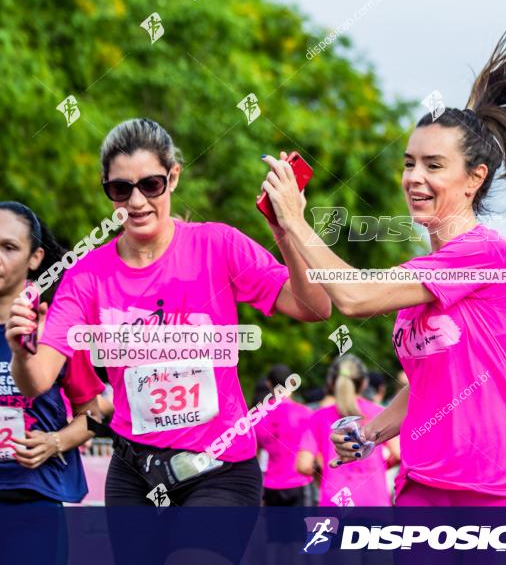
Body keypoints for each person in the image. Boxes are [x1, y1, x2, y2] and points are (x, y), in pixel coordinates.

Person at [268, 27, 506, 506]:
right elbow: (430, 387)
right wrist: (368, 432)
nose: (414, 178)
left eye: (433, 165)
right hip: (422, 486)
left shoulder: (486, 254)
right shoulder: (423, 277)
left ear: (474, 179)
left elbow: (355, 297)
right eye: (409, 164)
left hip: (495, 488)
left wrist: (297, 222)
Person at [5, 118, 331, 512]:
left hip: (219, 468)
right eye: (121, 189)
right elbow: (36, 381)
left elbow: (315, 307)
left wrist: (286, 230)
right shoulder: (87, 275)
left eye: (150, 185)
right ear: (107, 190)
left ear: (173, 177)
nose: (137, 202)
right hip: (135, 473)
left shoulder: (218, 245)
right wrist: (22, 351)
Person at [0, 203, 111, 562]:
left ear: (35, 258)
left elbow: (94, 413)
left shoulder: (55, 332)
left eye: (9, 247)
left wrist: (56, 441)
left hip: (33, 498)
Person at [297, 355, 397, 506]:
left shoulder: (318, 417)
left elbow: (303, 465)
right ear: (364, 383)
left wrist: (323, 475)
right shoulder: (379, 413)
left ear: (331, 383)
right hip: (375, 502)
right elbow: (398, 453)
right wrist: (379, 468)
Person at [256, 364, 313, 507]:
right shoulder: (305, 414)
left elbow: (253, 454)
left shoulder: (258, 416)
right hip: (299, 482)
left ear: (268, 384)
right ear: (292, 383)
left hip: (271, 485)